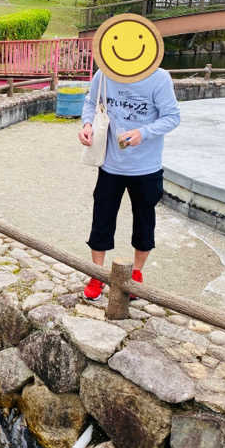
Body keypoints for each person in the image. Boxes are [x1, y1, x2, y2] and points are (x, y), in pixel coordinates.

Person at [77, 66, 180, 301]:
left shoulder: (159, 78)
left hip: (146, 166)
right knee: (101, 218)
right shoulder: (103, 73)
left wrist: (143, 133)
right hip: (110, 165)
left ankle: (136, 273)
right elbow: (91, 103)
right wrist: (86, 125)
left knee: (144, 220)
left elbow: (172, 117)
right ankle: (97, 274)